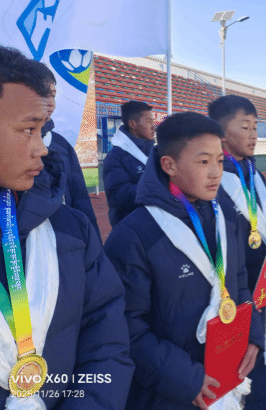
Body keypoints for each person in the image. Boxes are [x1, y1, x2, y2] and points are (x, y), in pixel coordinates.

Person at [0, 46, 133, 408]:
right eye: (28, 129)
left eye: (41, 130)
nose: (42, 148)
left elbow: (106, 341)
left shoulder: (71, 231)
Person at [104, 112, 264, 409]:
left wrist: (252, 334)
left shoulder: (225, 217)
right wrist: (185, 379)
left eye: (220, 160)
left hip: (225, 369)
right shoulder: (134, 236)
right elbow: (125, 325)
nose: (216, 173)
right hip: (170, 391)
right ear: (169, 165)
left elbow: (239, 281)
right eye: (203, 162)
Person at [208, 95, 266, 410]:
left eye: (255, 127)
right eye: (245, 127)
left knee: (264, 364)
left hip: (263, 287)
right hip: (238, 291)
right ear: (223, 134)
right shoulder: (214, 179)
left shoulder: (253, 172)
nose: (253, 135)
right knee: (242, 376)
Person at [35, 62, 101, 242]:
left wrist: (94, 244)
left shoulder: (61, 145)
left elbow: (80, 200)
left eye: (53, 95)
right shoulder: (10, 145)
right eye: (43, 94)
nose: (50, 103)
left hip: (65, 239)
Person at [102, 100, 156, 227]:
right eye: (149, 121)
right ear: (133, 124)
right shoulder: (116, 156)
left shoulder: (156, 152)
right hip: (131, 228)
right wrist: (157, 187)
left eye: (153, 122)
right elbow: (118, 197)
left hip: (156, 225)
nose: (153, 126)